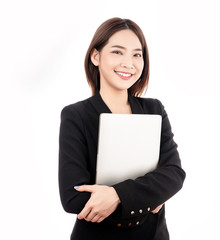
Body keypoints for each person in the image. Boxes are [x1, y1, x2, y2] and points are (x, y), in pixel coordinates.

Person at [58, 17, 186, 240]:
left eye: (137, 54)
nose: (129, 63)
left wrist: (116, 195)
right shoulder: (76, 115)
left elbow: (174, 174)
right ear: (96, 56)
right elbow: (74, 198)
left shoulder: (154, 109)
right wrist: (150, 196)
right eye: (117, 52)